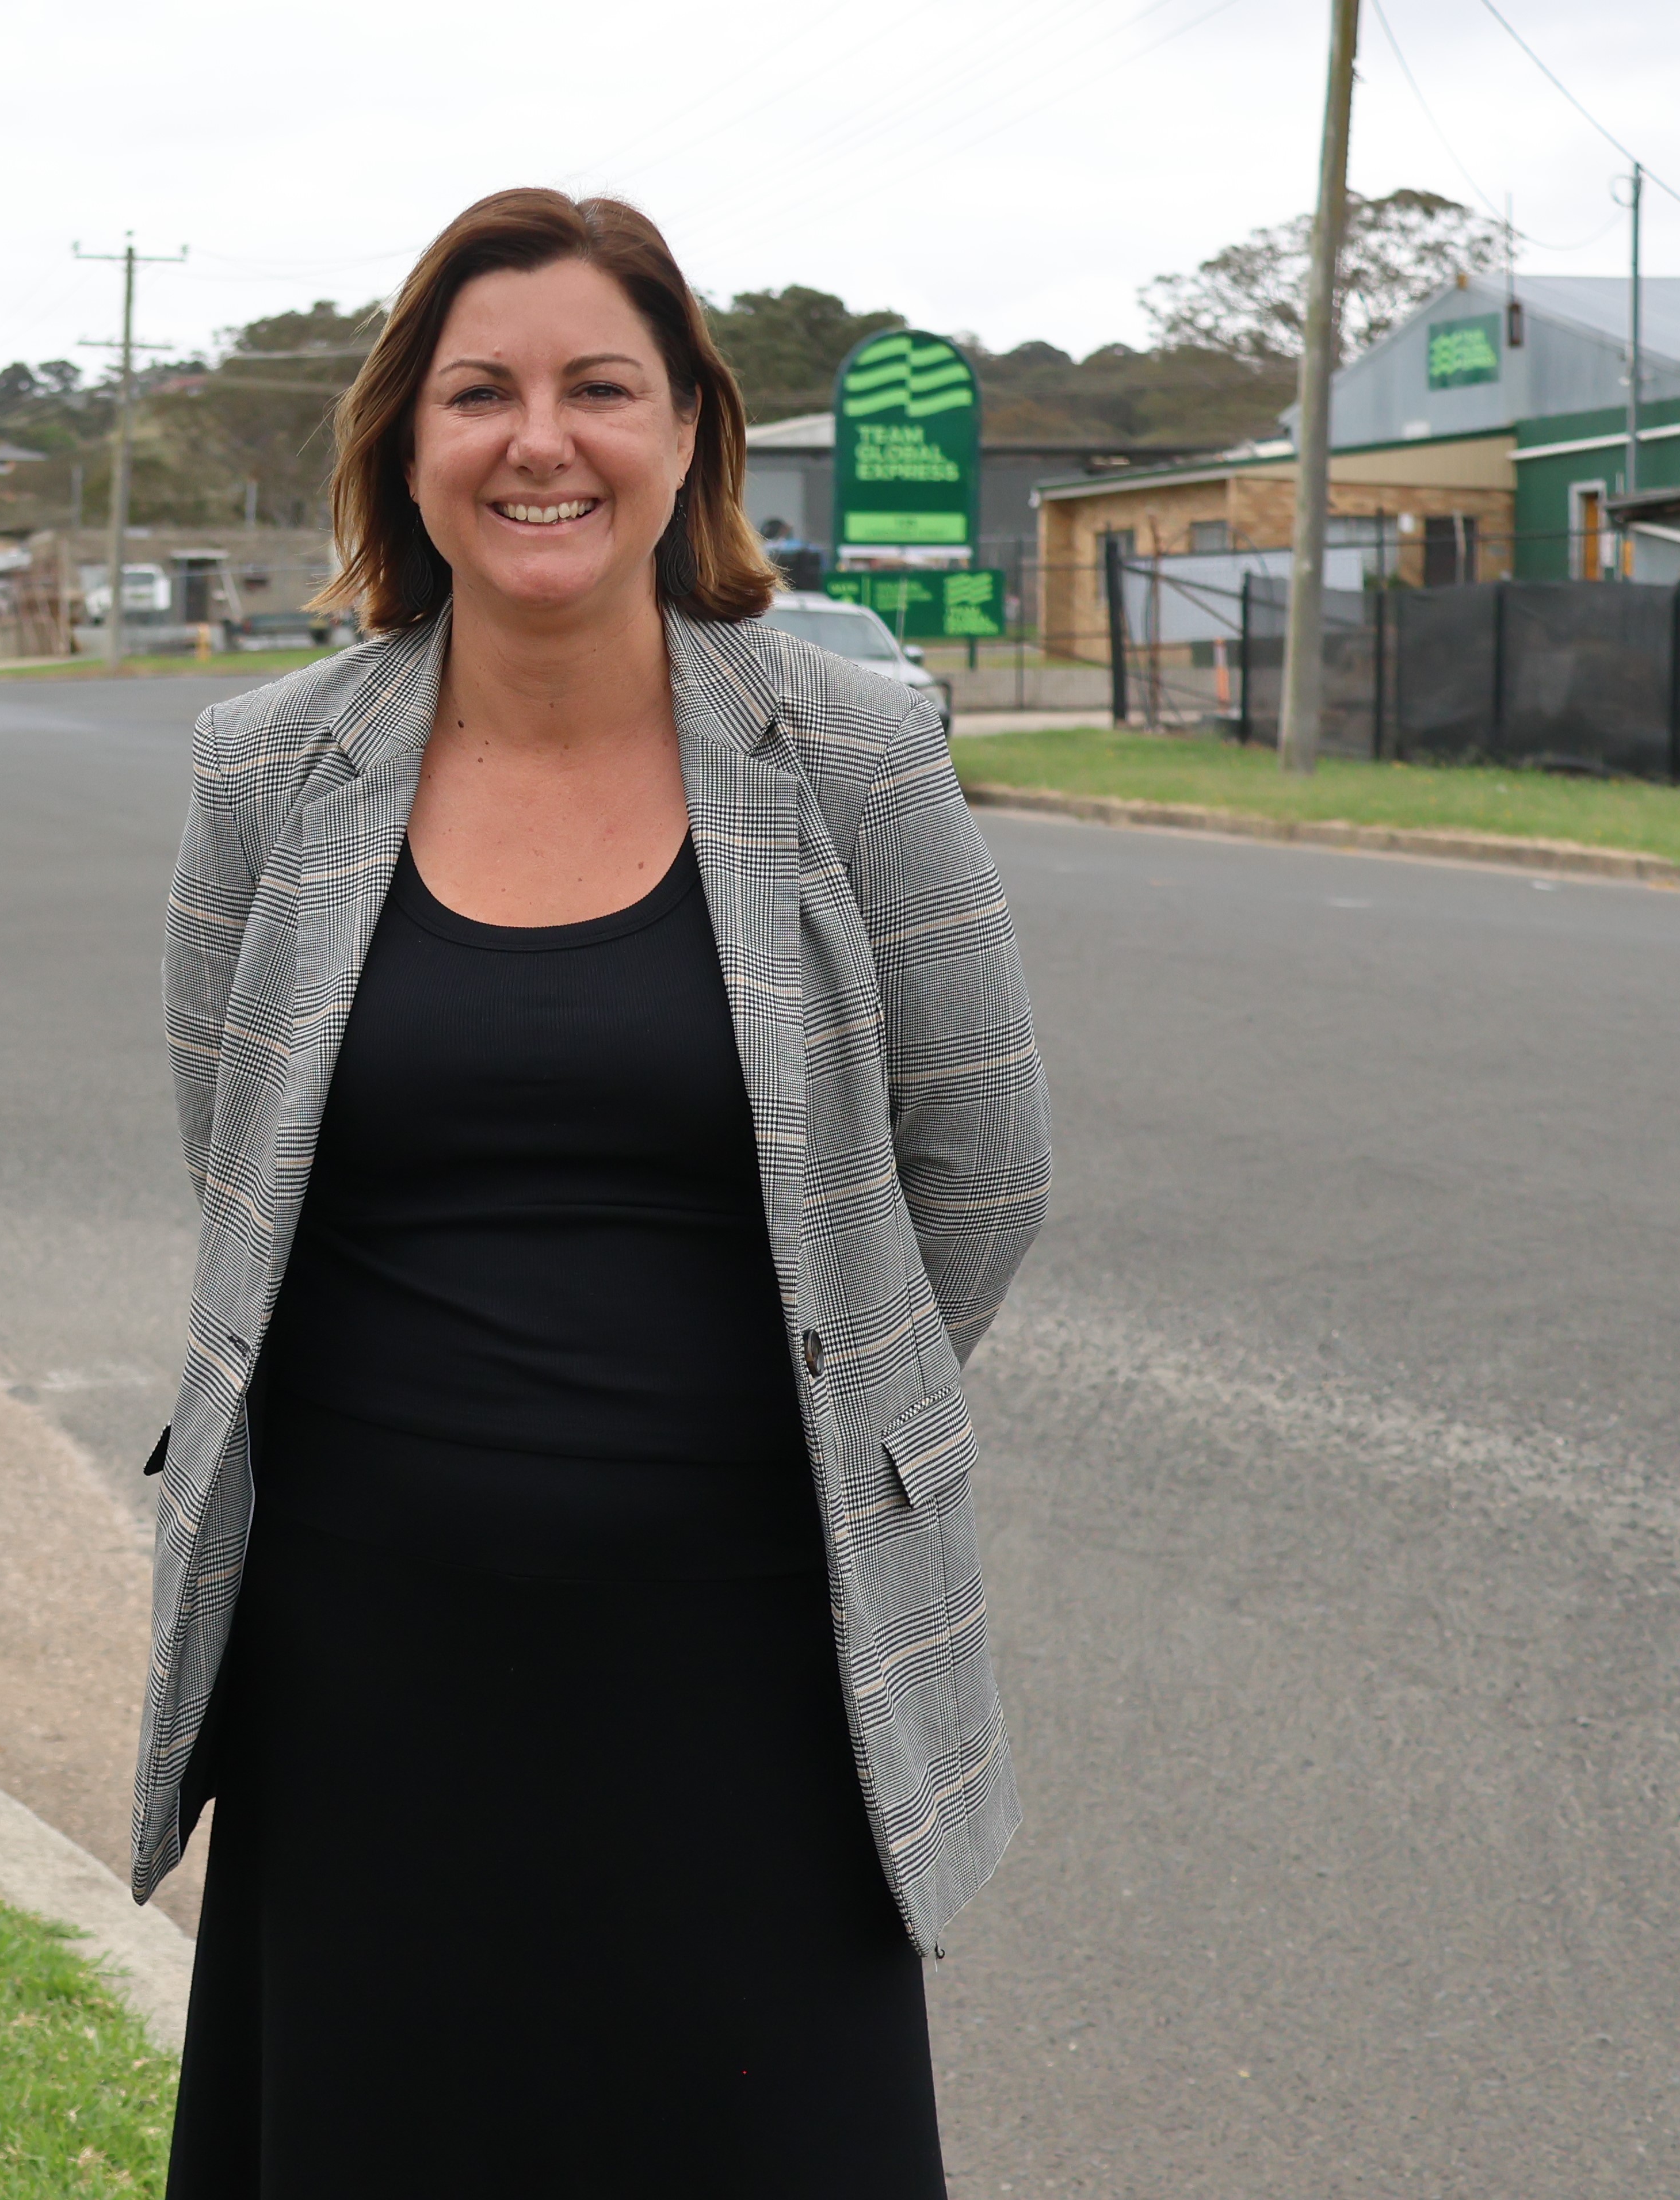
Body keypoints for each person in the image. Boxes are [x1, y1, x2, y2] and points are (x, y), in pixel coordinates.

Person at [131, 189, 1050, 2195]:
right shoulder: (265, 773)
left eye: (596, 389)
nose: (538, 440)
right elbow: (242, 1163)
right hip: (362, 1681)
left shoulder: (857, 753)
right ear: (405, 444)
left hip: (751, 1675)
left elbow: (979, 1161)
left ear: (690, 432)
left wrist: (794, 1419)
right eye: (480, 394)